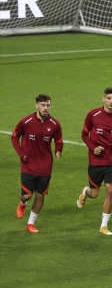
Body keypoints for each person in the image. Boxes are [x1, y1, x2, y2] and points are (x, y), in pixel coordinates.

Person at [77, 87, 112, 235]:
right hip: (96, 161)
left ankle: (104, 226)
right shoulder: (93, 115)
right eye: (108, 98)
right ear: (103, 99)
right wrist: (93, 148)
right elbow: (84, 134)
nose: (111, 101)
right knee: (94, 194)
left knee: (110, 190)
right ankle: (85, 192)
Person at [11, 94, 63, 233]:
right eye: (43, 105)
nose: (46, 108)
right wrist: (21, 154)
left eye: (48, 105)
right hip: (28, 164)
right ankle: (22, 203)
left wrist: (58, 150)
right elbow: (14, 137)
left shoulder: (54, 124)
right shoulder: (26, 121)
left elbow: (59, 141)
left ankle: (30, 223)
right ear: (37, 106)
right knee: (27, 195)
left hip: (45, 165)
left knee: (40, 196)